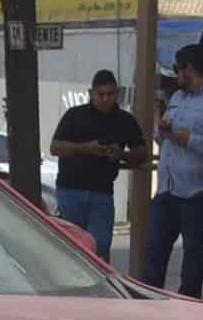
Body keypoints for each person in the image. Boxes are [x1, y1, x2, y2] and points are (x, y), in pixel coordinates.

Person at [145, 43, 203, 297]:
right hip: (168, 188)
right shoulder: (177, 97)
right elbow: (165, 138)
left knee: (193, 253)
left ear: (189, 69)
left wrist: (190, 140)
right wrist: (162, 132)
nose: (176, 76)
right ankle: (146, 304)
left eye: (178, 70)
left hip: (199, 192)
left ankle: (188, 304)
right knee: (153, 249)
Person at [46, 69, 143, 262]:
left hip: (102, 192)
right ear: (91, 93)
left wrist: (120, 153)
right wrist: (87, 148)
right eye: (101, 94)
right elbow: (55, 147)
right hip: (71, 189)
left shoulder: (125, 120)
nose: (106, 99)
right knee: (72, 246)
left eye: (110, 94)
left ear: (117, 94)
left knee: (100, 246)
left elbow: (141, 153)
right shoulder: (75, 115)